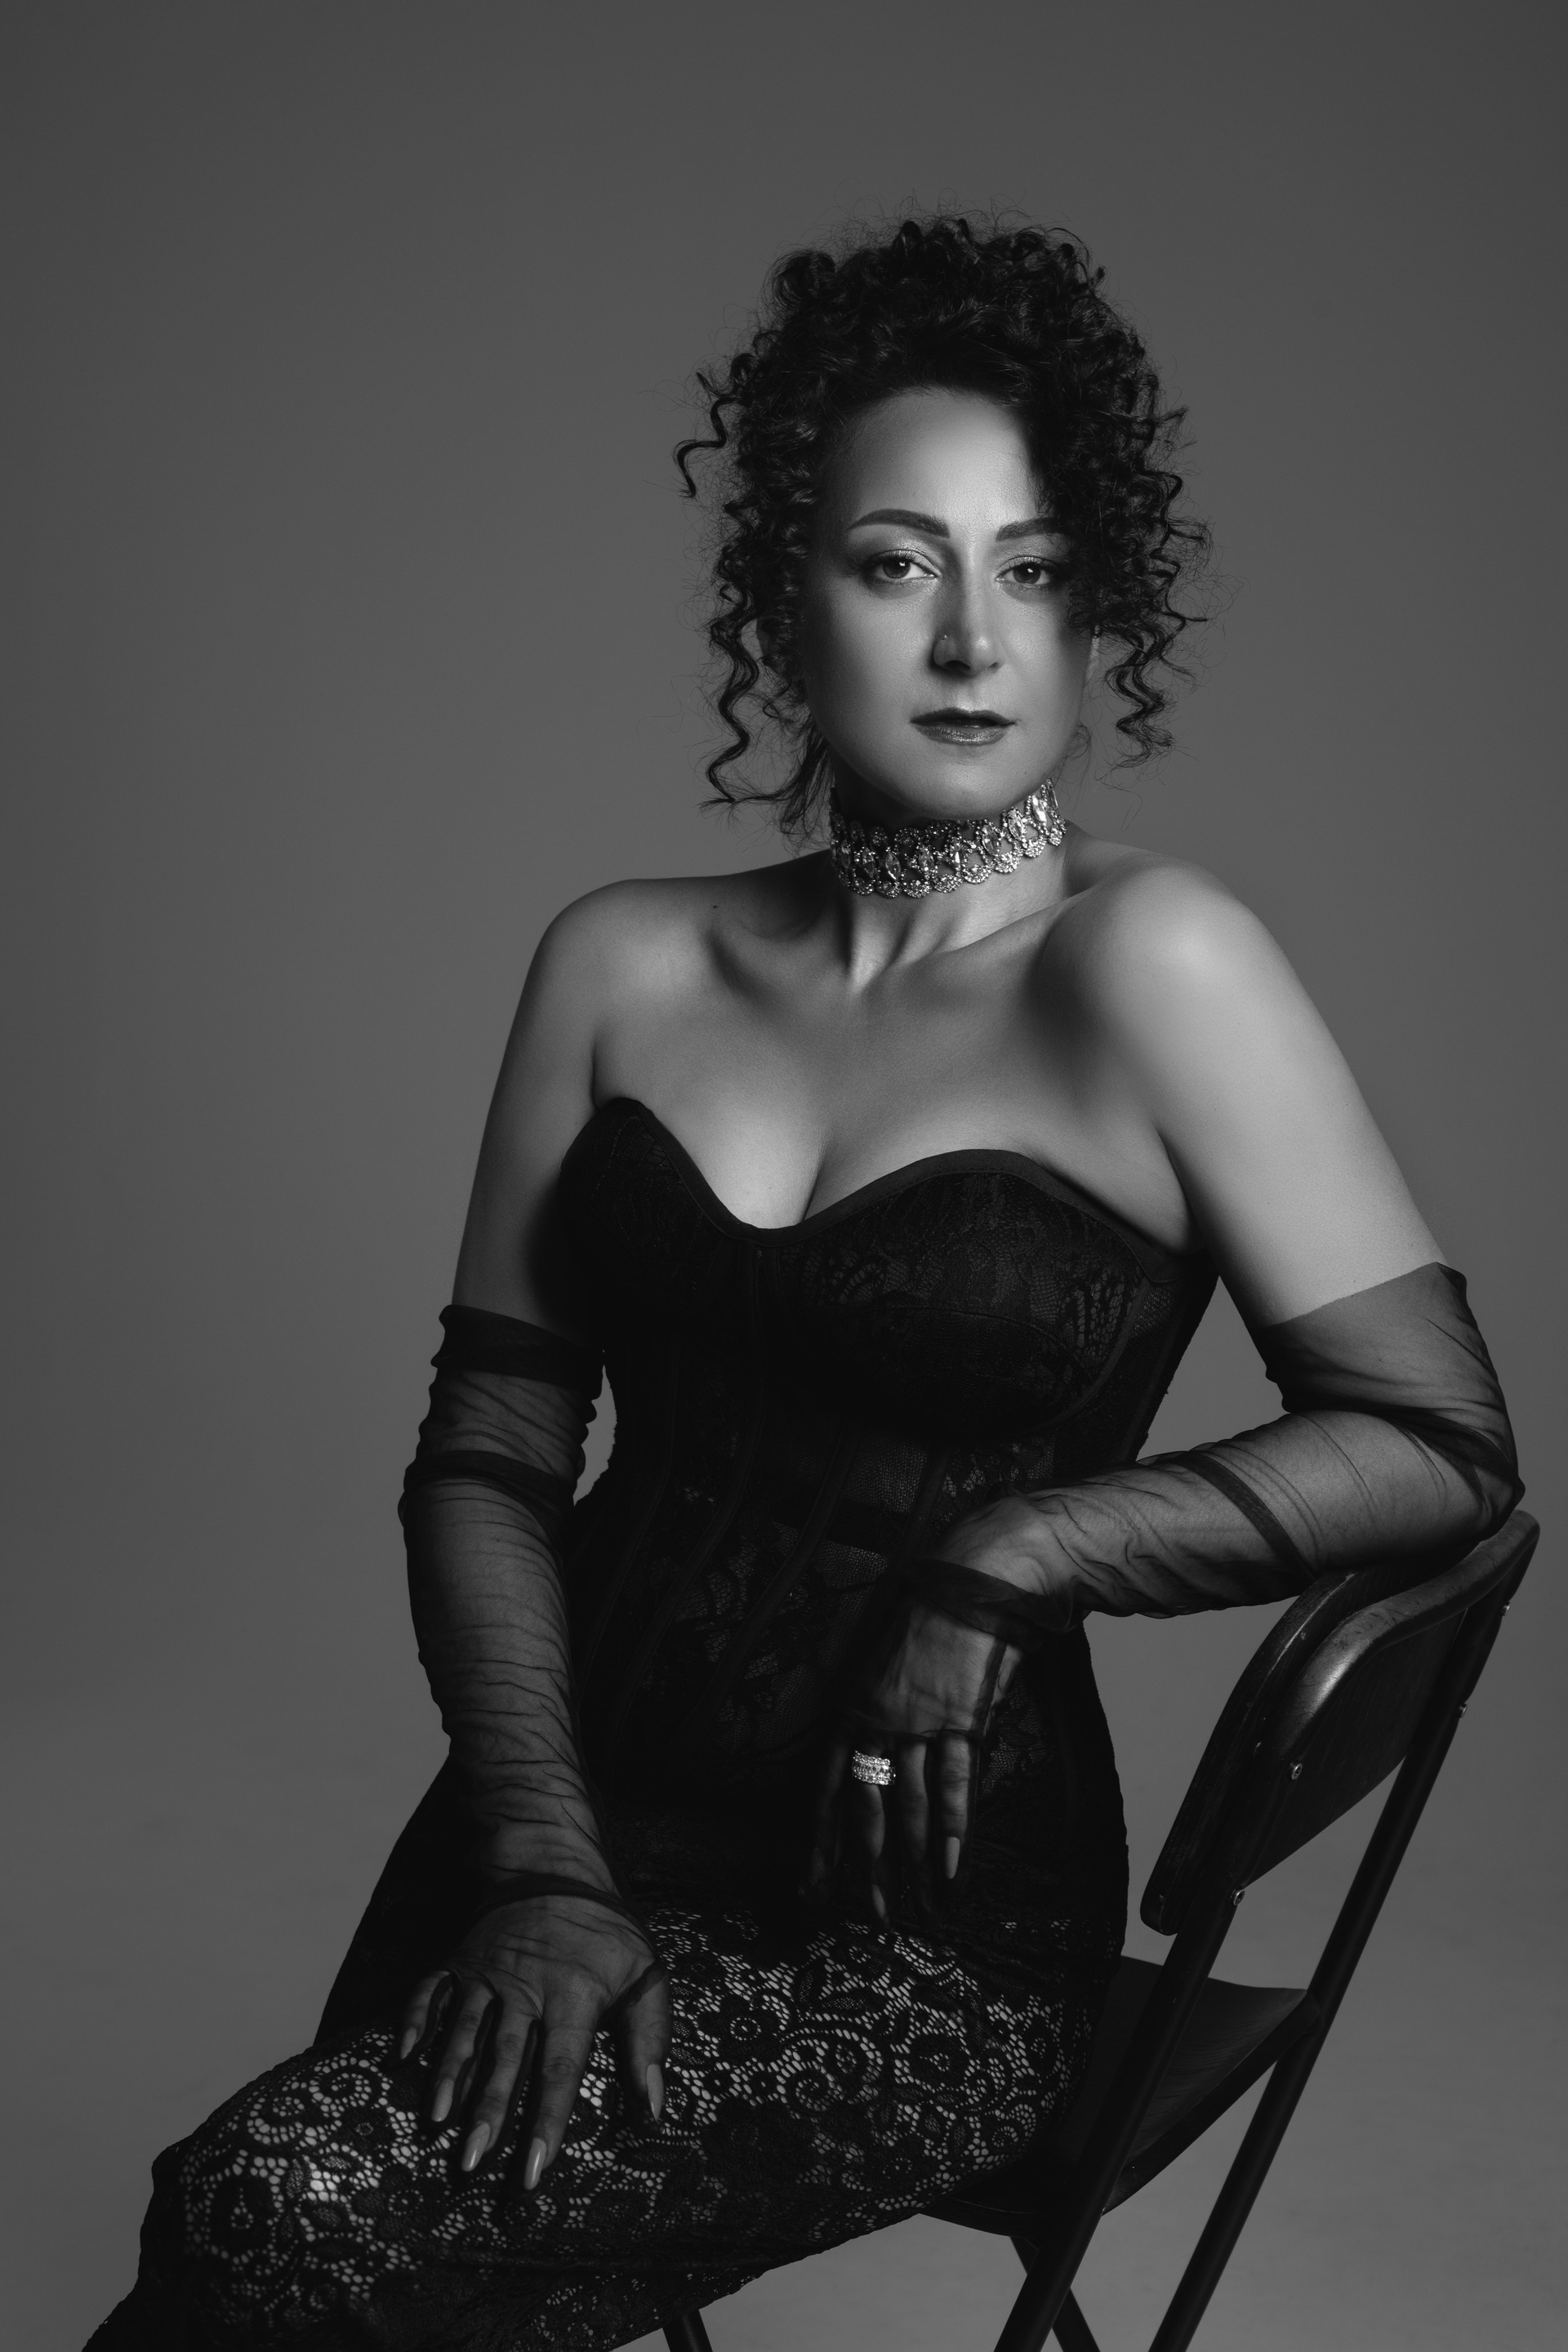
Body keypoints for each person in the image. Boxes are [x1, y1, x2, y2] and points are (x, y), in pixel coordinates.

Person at [89, 216, 1521, 2351]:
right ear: (785, 600)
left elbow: (1442, 1445)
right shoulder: (619, 960)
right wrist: (546, 1862)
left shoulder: (1162, 968)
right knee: (253, 2258)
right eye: (896, 562)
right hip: (547, 1838)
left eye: (1033, 569)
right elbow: (489, 1455)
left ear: (1097, 610)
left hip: (915, 1937)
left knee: (273, 2219)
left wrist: (1016, 1556)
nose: (972, 640)